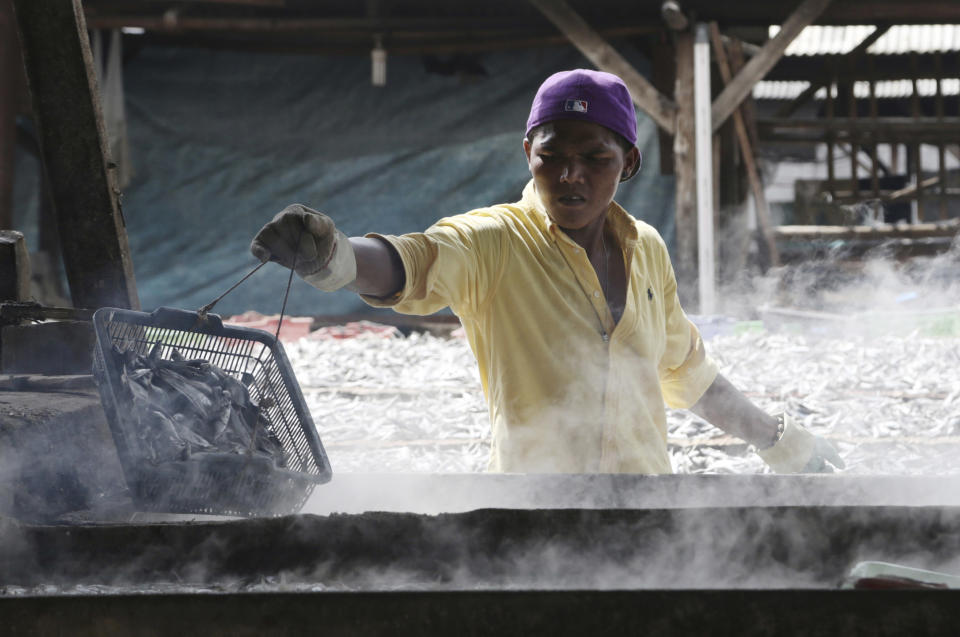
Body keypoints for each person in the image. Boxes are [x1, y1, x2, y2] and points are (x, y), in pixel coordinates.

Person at [251, 69, 843, 474]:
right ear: (528, 153)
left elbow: (686, 372)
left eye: (594, 159)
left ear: (630, 161)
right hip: (532, 514)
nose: (570, 176)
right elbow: (416, 261)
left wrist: (780, 441)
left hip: (651, 510)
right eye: (552, 157)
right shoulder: (494, 242)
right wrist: (338, 260)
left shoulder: (648, 249)